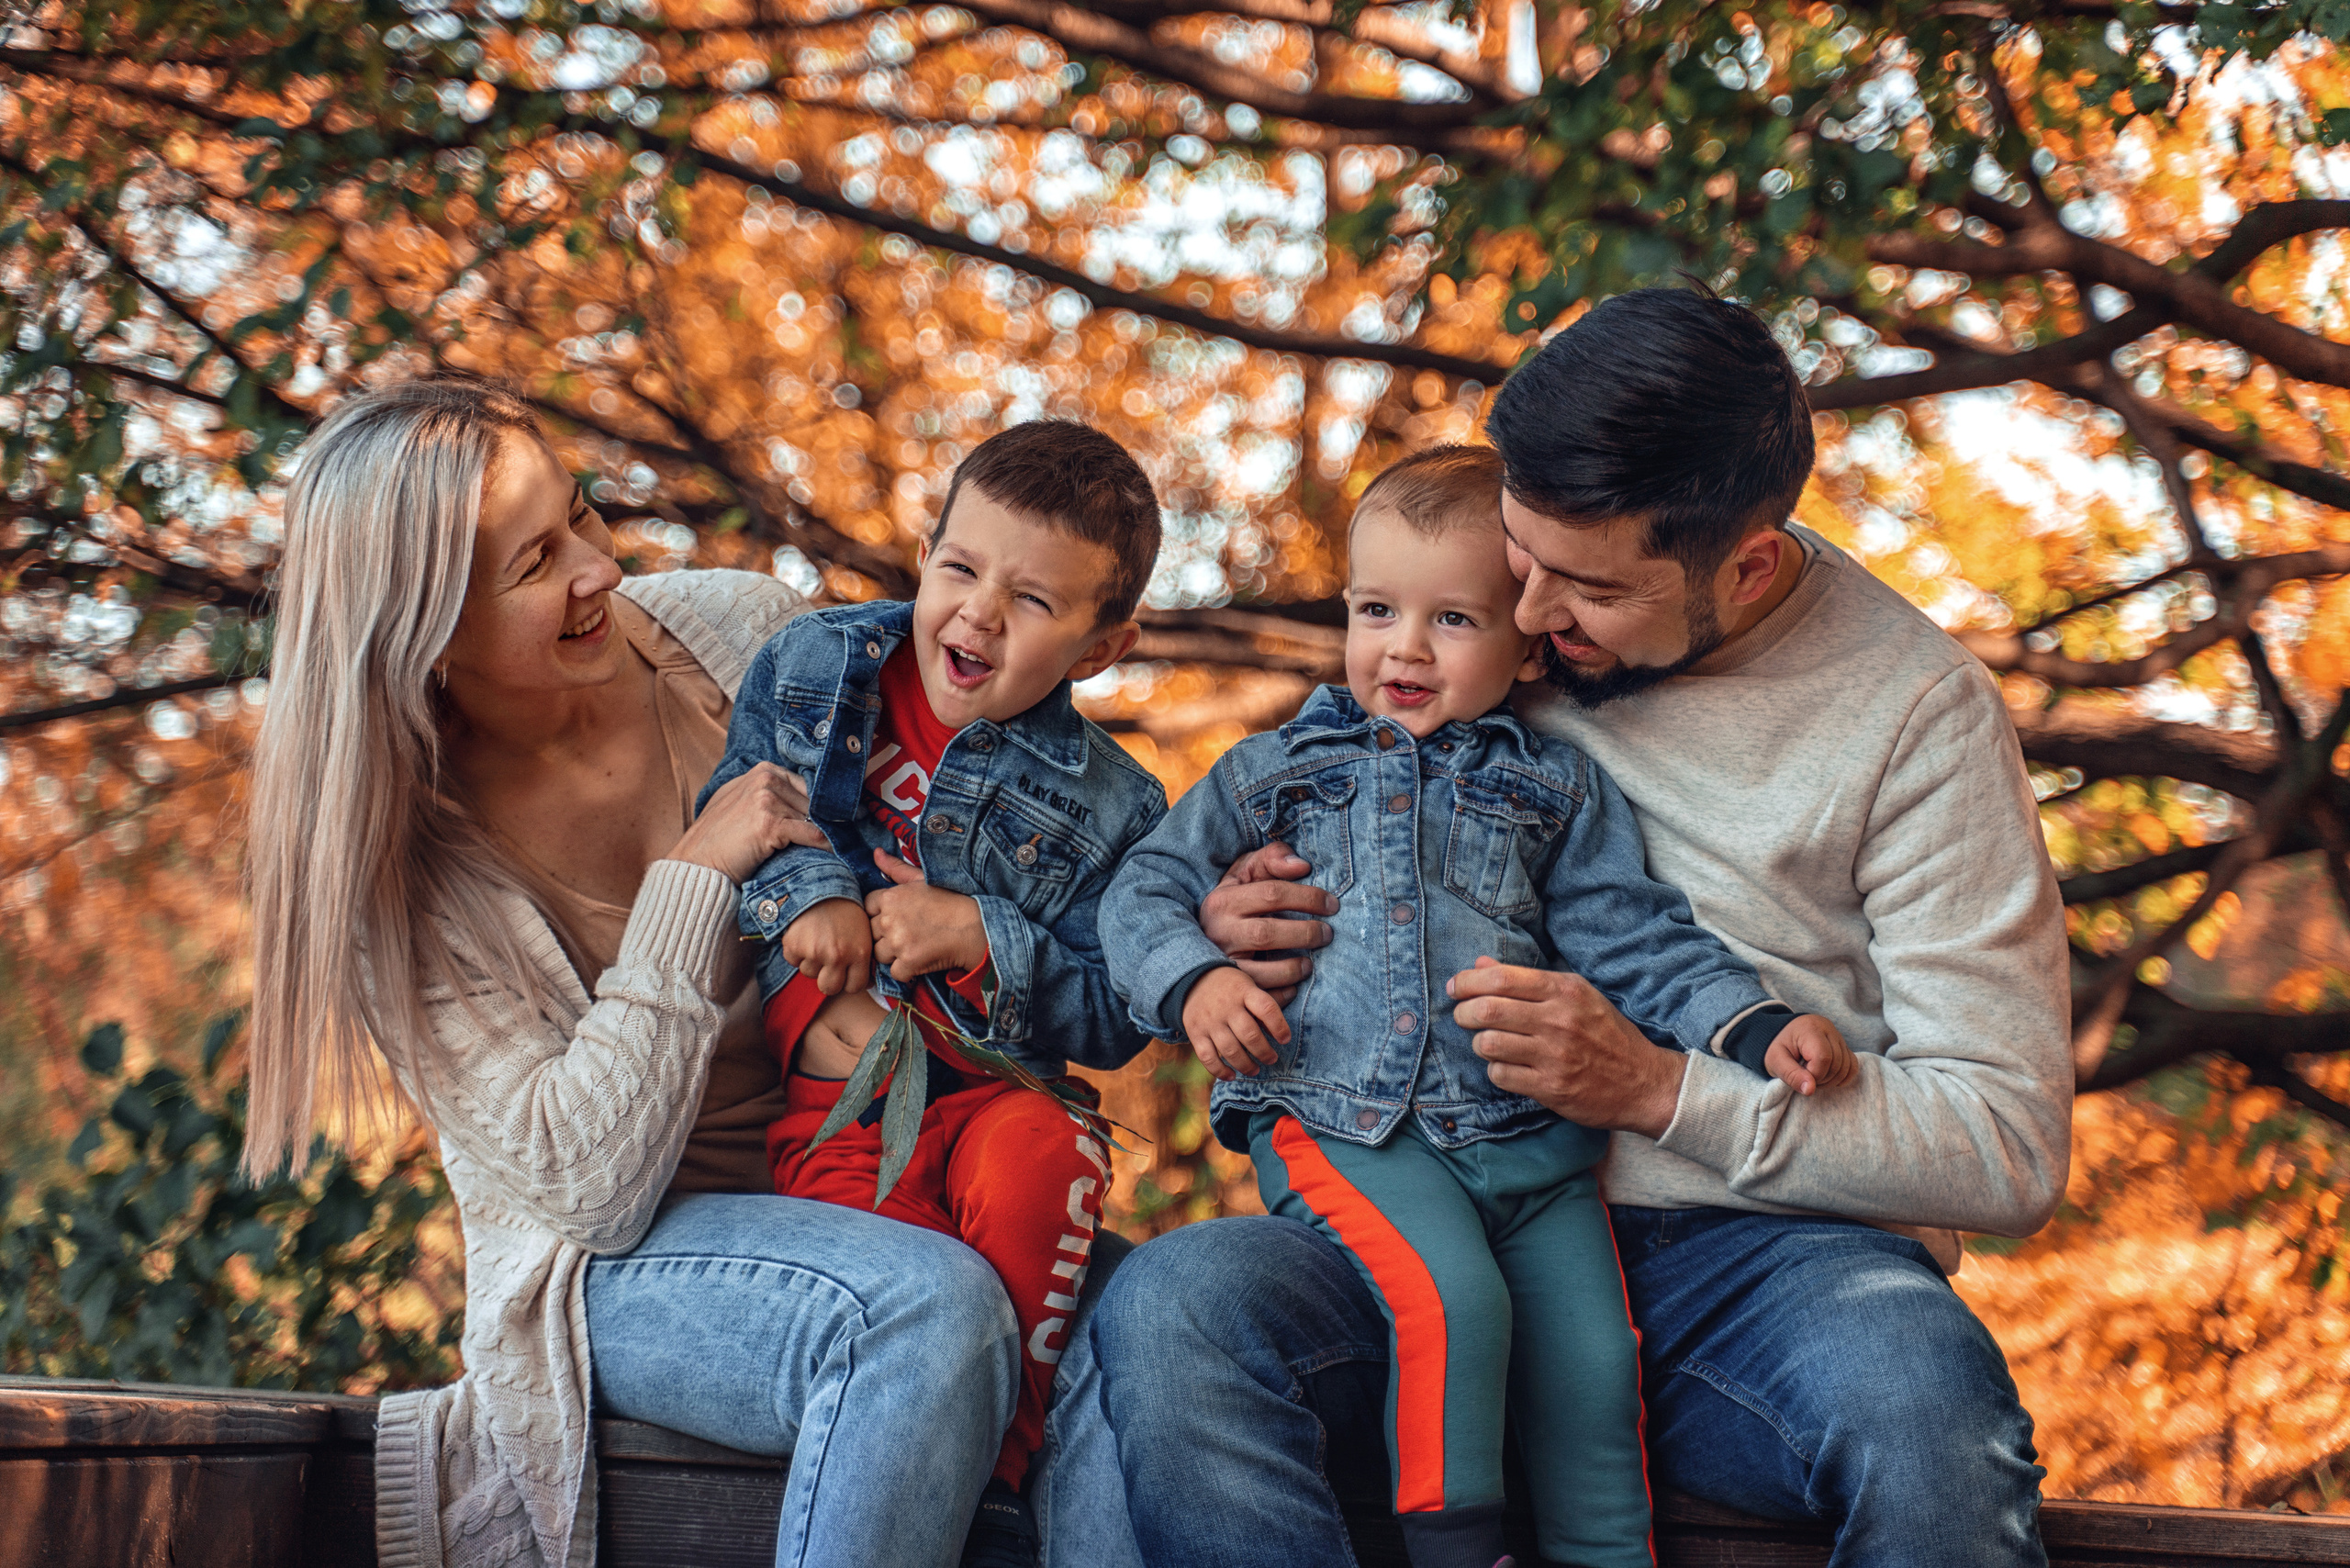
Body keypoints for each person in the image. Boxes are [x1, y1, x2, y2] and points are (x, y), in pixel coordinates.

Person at [1087, 287, 2073, 1568]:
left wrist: (1661, 1090)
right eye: (1518, 555)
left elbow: (2004, 1144)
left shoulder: (1916, 714)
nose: (1532, 613)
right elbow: (1265, 818)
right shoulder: (1466, 615)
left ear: (1745, 568)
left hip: (1757, 1269)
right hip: (1431, 1202)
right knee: (1177, 1306)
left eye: (1589, 590)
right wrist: (1224, 925)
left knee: (1927, 1413)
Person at [238, 375, 1093, 1568]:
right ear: (426, 631)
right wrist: (693, 880)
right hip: (626, 1273)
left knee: (1123, 1328)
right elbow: (589, 1193)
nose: (600, 568)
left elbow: (995, 812)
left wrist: (1176, 901)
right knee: (923, 1307)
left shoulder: (741, 633)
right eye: (535, 564)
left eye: (582, 513)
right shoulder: (403, 873)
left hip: (879, 1170)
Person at [1101, 445, 1852, 1568]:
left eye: (1451, 619)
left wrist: (1751, 1024)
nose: (1403, 646)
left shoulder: (1556, 787)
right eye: (1375, 609)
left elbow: (1635, 937)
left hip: (1530, 1148)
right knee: (1451, 1303)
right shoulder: (1278, 771)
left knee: (1594, 1363)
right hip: (1348, 1124)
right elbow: (1143, 889)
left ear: (1527, 642)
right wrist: (1195, 976)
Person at [699, 419, 1170, 1565]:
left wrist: (978, 934)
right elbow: (734, 801)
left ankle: (995, 1481)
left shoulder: (1117, 805)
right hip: (844, 1108)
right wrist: (809, 890)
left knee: (1045, 1162)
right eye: (960, 568)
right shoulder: (817, 665)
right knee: (911, 1294)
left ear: (1102, 647)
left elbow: (1118, 1014)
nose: (979, 614)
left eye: (1033, 600)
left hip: (997, 1086)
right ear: (925, 554)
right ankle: (933, 1471)